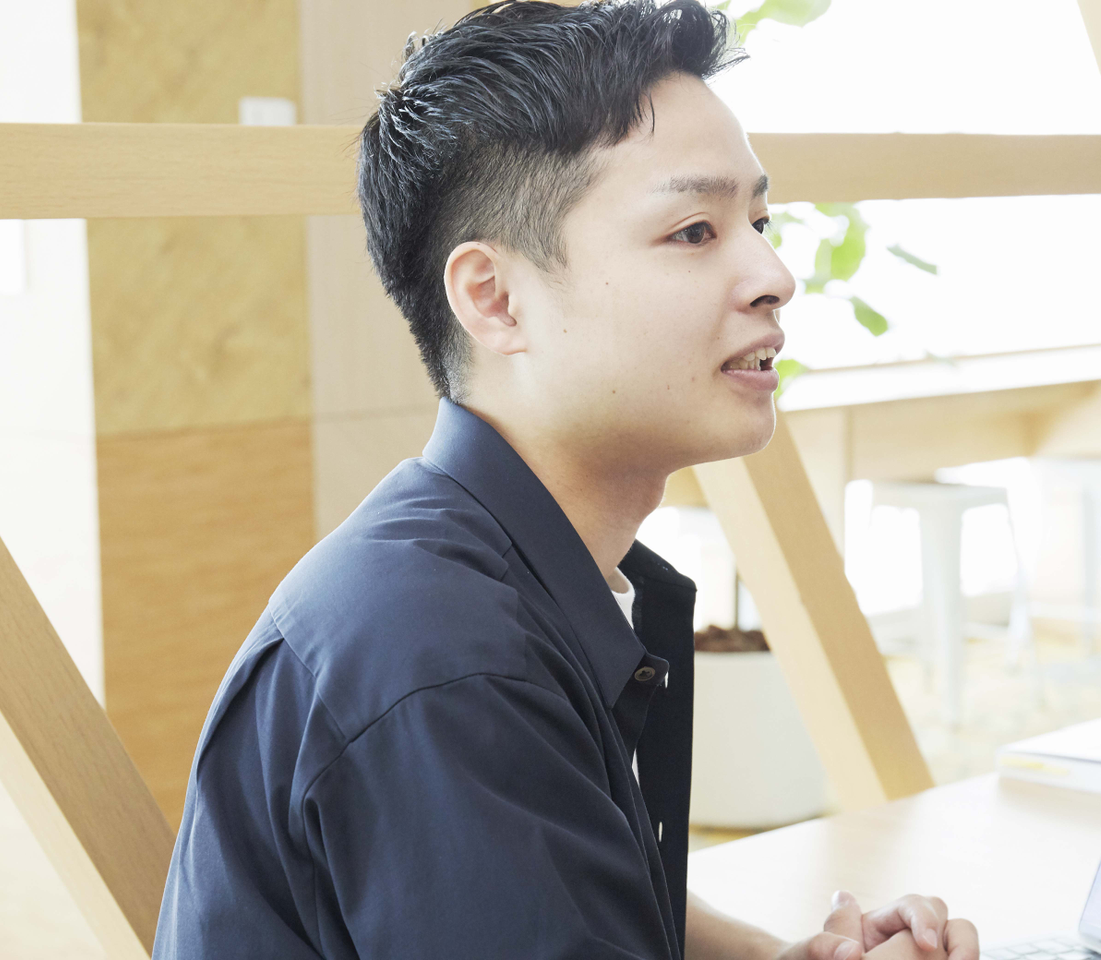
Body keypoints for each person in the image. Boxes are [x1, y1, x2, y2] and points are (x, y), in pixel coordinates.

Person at [152, 3, 978, 958]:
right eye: (694, 231)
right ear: (495, 299)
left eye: (758, 220)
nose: (773, 274)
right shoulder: (444, 661)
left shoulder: (497, 577)